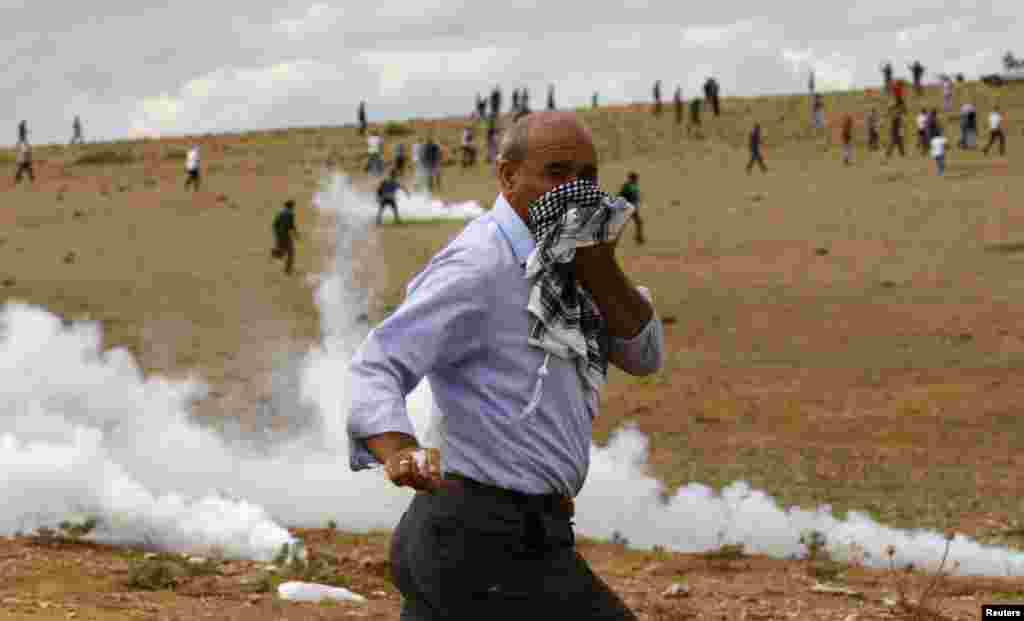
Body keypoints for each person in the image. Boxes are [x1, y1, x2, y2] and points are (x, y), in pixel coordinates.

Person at [347, 110, 663, 620]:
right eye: (557, 173)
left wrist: (600, 266)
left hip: (508, 537)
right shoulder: (480, 265)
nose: (575, 191)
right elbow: (378, 362)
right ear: (507, 176)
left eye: (586, 177)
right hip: (481, 539)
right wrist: (398, 448)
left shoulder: (574, 257)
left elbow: (643, 355)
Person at [271, 199, 299, 274]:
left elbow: (274, 224)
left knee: (282, 249)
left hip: (279, 234)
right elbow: (291, 226)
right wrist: (296, 234)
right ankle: (287, 270)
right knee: (291, 252)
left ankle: (275, 252)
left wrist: (277, 233)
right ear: (291, 206)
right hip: (285, 234)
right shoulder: (290, 213)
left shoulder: (280, 212)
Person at [619, 171, 644, 244]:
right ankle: (639, 238)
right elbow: (622, 196)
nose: (636, 180)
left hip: (632, 208)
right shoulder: (627, 186)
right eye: (635, 178)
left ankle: (639, 238)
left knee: (639, 222)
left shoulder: (633, 186)